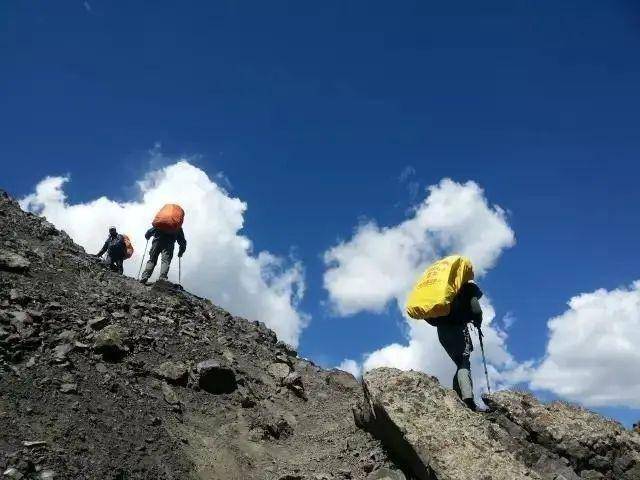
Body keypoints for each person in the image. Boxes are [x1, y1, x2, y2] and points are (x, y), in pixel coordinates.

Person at [434, 281, 483, 411]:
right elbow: (476, 309)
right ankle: (468, 399)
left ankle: (457, 396)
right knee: (464, 362)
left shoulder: (446, 291)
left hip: (442, 332)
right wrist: (478, 321)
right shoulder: (468, 289)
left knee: (459, 363)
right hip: (458, 331)